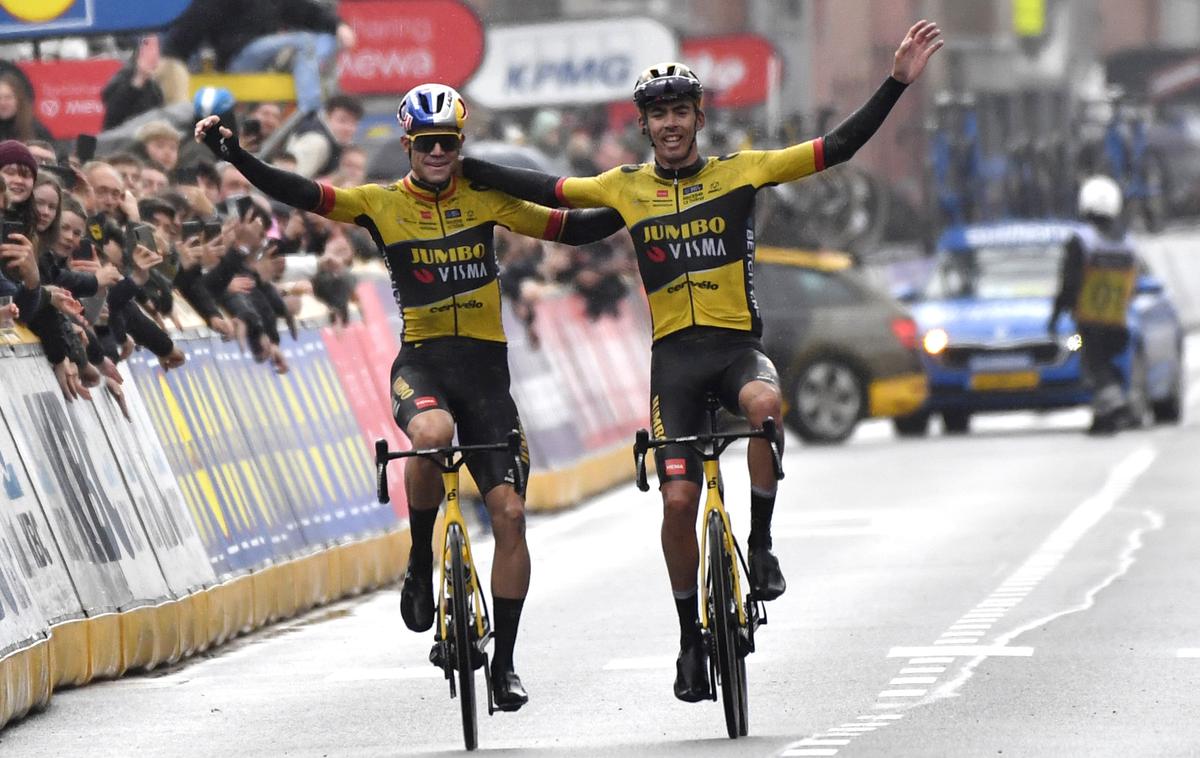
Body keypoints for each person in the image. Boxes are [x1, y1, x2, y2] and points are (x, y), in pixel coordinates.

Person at [461, 20, 944, 702]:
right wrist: (467, 170)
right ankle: (691, 638)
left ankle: (763, 543)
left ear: (698, 117)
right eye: (657, 115)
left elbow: (836, 149)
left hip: (736, 351)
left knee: (766, 407)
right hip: (674, 368)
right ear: (645, 126)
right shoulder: (626, 188)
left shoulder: (741, 172)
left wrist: (895, 82)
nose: (670, 125)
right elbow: (549, 190)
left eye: (680, 112)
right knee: (679, 500)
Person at [195, 82, 623, 711]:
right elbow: (302, 192)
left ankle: (503, 664)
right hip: (422, 366)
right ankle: (421, 561)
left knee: (508, 515)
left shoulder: (487, 197)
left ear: (460, 143)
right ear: (408, 146)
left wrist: (642, 200)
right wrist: (238, 158)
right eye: (426, 144)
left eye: (448, 142)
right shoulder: (381, 203)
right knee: (430, 436)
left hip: (486, 377)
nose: (438, 153)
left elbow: (571, 229)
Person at [1047, 175, 1138, 436]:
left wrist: (1056, 314)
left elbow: (1069, 280)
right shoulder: (1127, 244)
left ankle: (1117, 403)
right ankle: (1103, 418)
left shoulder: (1081, 240)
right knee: (1103, 363)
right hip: (1117, 322)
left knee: (1083, 358)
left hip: (1086, 323)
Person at [162, 0, 355, 116]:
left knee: (304, 51)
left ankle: (303, 107)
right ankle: (311, 113)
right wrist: (173, 54)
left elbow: (304, 11)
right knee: (303, 42)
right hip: (238, 58)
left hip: (263, 57)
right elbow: (196, 21)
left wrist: (337, 25)